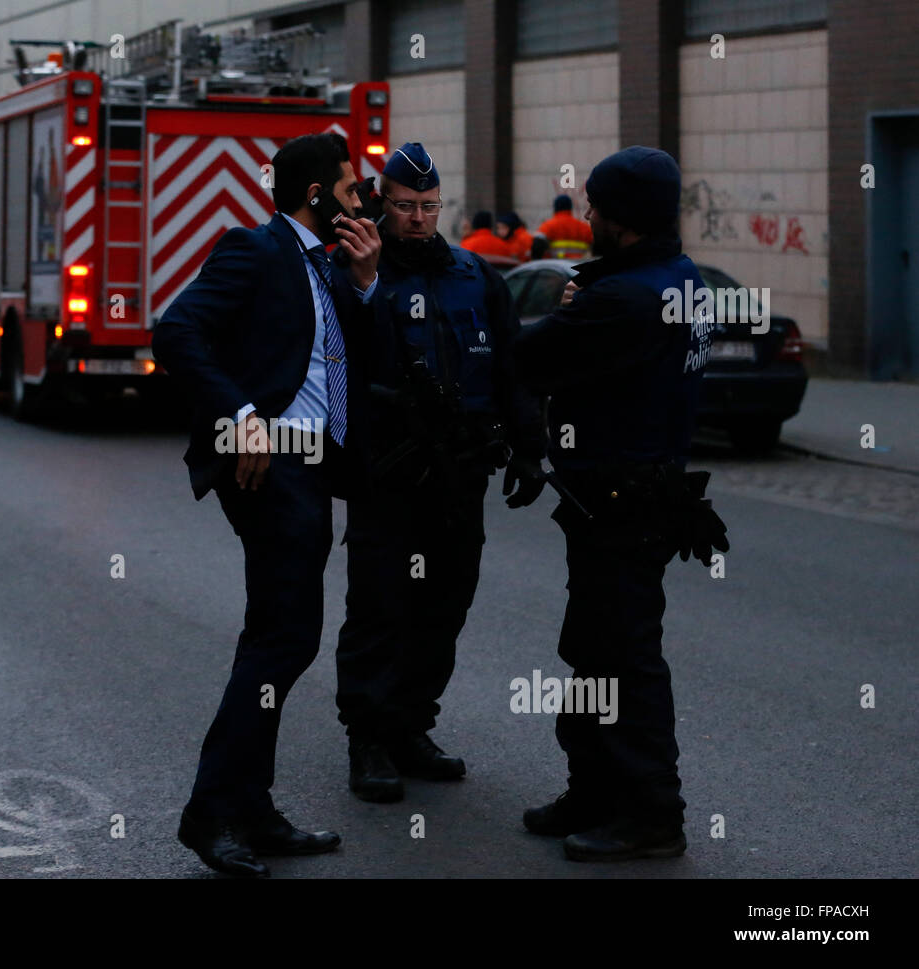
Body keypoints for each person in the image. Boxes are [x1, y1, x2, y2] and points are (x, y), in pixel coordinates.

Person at [151, 132, 384, 878]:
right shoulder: (254, 249)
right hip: (270, 462)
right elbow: (178, 330)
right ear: (315, 197)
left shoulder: (329, 268)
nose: (361, 202)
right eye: (351, 191)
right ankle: (212, 811)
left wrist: (369, 277)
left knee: (283, 638)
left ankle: (250, 806)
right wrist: (241, 411)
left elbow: (352, 355)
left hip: (314, 469)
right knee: (281, 641)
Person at [513, 146, 728, 862]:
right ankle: (595, 790)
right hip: (639, 497)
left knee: (624, 659)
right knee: (592, 649)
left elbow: (528, 360)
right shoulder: (680, 279)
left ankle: (650, 813)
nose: (588, 216)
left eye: (598, 206)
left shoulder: (624, 298)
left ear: (625, 217)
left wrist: (570, 308)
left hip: (621, 502)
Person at [338, 143, 547, 802]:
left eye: (428, 206)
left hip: (461, 473)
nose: (419, 218)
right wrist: (363, 281)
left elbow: (514, 370)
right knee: (379, 606)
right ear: (382, 200)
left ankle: (410, 726)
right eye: (405, 206)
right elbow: (341, 356)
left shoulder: (474, 276)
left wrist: (530, 448)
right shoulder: (358, 272)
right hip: (389, 473)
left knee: (446, 601)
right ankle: (368, 738)